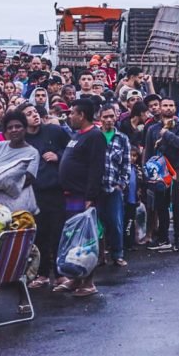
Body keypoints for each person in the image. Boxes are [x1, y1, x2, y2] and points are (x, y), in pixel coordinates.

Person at [58, 99, 106, 296]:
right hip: (70, 195)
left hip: (83, 196)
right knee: (74, 239)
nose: (70, 116)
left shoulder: (95, 136)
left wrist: (90, 196)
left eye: (73, 113)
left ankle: (88, 281)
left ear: (82, 115)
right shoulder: (77, 135)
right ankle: (76, 277)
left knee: (87, 239)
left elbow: (97, 168)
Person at [22, 102, 70, 290]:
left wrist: (58, 155)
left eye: (34, 111)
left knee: (58, 232)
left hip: (56, 190)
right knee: (40, 234)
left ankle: (60, 274)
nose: (34, 115)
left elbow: (72, 149)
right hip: (34, 193)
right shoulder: (23, 139)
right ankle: (42, 273)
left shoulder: (54, 131)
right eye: (28, 113)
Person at [144, 97, 179, 252]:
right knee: (160, 206)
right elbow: (148, 151)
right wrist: (148, 174)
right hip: (159, 173)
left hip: (177, 171)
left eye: (171, 105)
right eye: (165, 105)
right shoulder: (152, 129)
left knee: (178, 206)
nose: (168, 108)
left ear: (175, 108)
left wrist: (167, 134)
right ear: (160, 108)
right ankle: (163, 238)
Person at [0, 110, 39, 214]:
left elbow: (25, 180)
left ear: (25, 128)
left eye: (18, 126)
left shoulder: (32, 153)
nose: (14, 130)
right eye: (10, 128)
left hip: (18, 208)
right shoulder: (0, 146)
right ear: (5, 131)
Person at [98, 105, 130, 267]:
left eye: (111, 116)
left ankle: (117, 254)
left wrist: (122, 183)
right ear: (100, 118)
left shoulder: (122, 138)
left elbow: (126, 163)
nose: (109, 120)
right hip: (96, 188)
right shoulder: (95, 136)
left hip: (114, 186)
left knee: (115, 222)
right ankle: (99, 255)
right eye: (105, 117)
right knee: (97, 224)